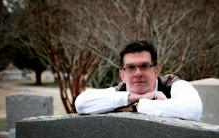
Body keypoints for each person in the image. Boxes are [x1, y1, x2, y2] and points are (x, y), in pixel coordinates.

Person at [75, 40, 203, 121]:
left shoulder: (173, 84)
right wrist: (136, 97)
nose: (138, 73)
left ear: (156, 71)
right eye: (130, 67)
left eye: (144, 66)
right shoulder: (120, 91)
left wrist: (136, 106)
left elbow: (193, 109)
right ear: (122, 75)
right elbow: (81, 103)